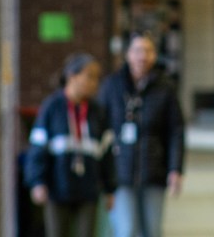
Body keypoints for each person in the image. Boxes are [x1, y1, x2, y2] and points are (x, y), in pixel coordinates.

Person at [98, 32, 185, 237]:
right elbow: (100, 127)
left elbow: (176, 131)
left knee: (152, 231)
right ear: (128, 54)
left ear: (154, 55)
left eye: (147, 51)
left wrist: (175, 169)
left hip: (154, 170)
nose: (142, 56)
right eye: (137, 50)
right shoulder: (112, 86)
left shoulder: (165, 88)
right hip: (120, 172)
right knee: (127, 230)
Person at [24, 53, 116, 237]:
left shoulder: (98, 111)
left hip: (88, 189)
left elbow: (107, 152)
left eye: (97, 78)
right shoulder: (52, 107)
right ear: (71, 76)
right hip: (57, 189)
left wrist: (110, 189)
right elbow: (37, 148)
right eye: (89, 76)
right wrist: (37, 182)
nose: (94, 83)